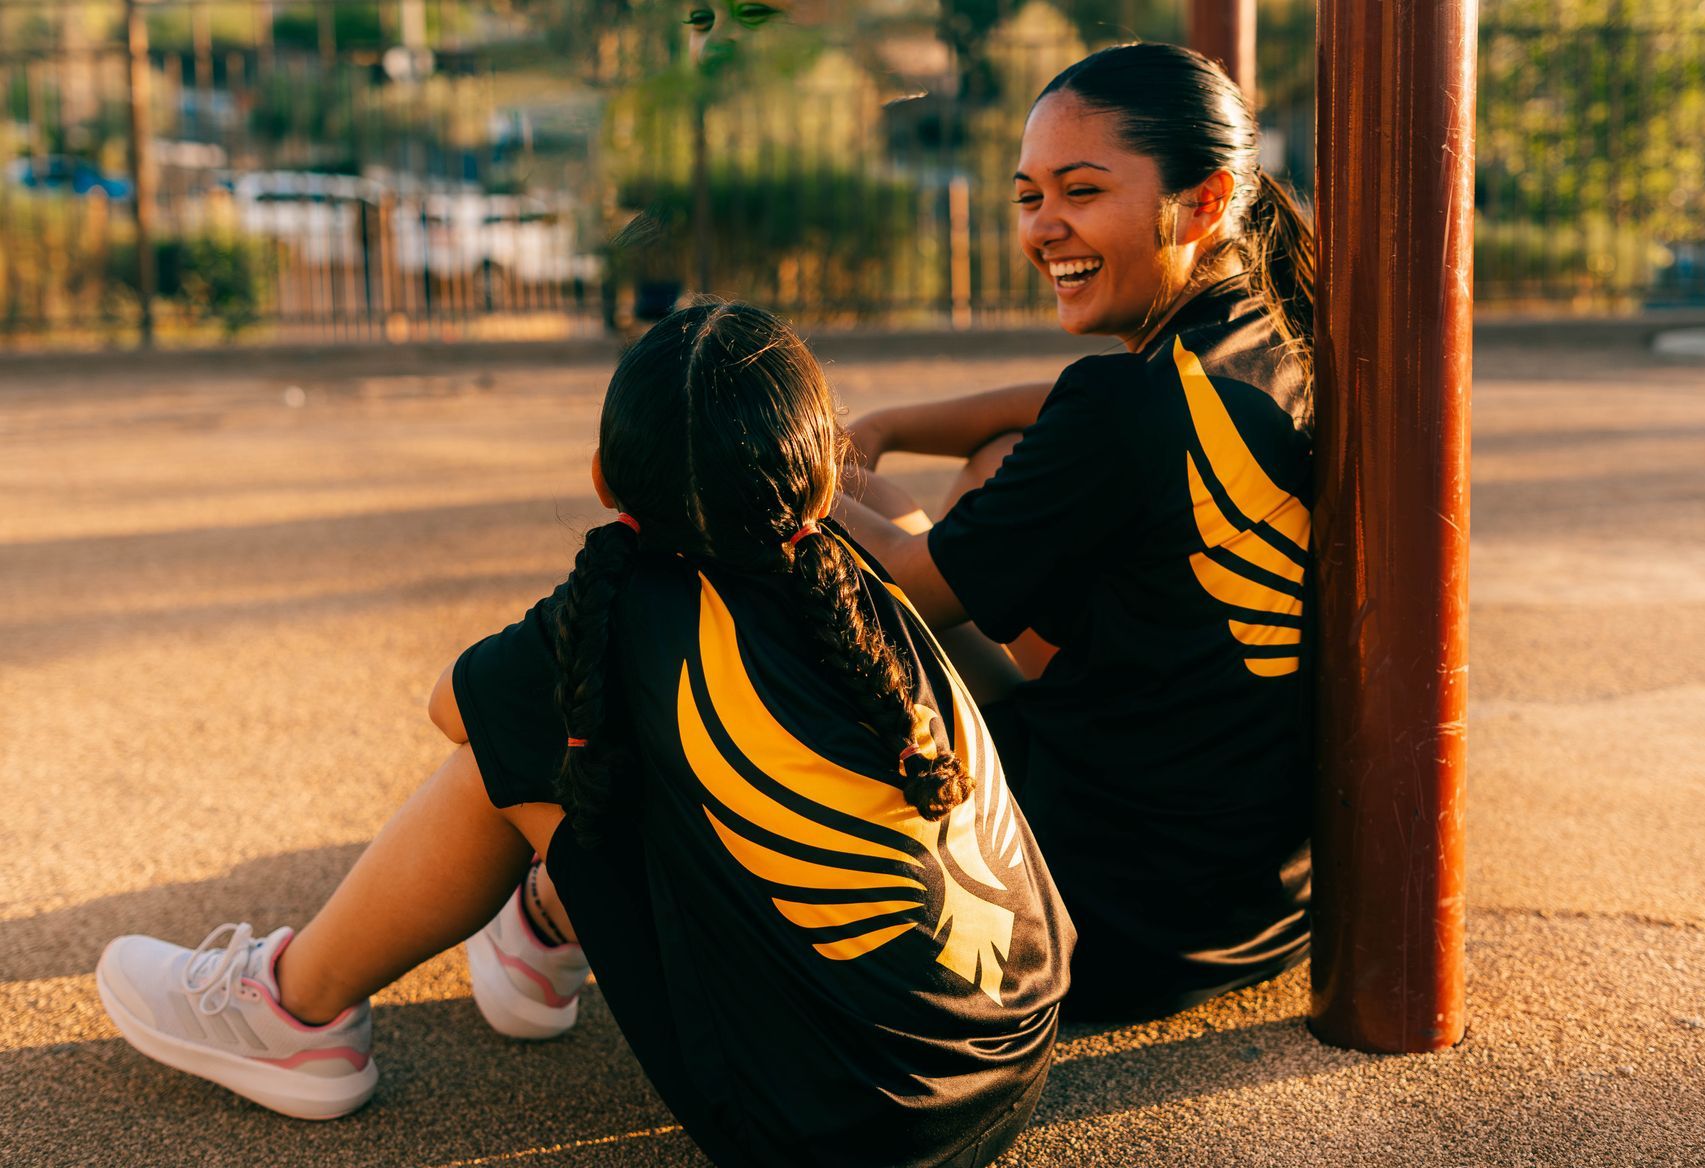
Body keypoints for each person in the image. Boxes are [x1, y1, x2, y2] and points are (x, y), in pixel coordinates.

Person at [94, 303, 1074, 1168]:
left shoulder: (621, 616)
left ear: (606, 481)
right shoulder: (863, 583)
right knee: (663, 754)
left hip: (838, 1134)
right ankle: (541, 932)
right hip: (1010, 1065)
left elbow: (453, 705)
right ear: (824, 488)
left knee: (511, 745)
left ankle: (291, 1008)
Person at [835, 43, 1316, 1023]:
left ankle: (563, 901)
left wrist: (786, 471)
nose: (1045, 225)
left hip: (1098, 910)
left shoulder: (1128, 402)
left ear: (1203, 199)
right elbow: (1061, 404)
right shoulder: (1270, 336)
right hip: (1248, 903)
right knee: (978, 468)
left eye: (1081, 190)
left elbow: (909, 591)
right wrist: (884, 431)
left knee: (817, 578)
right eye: (1027, 196)